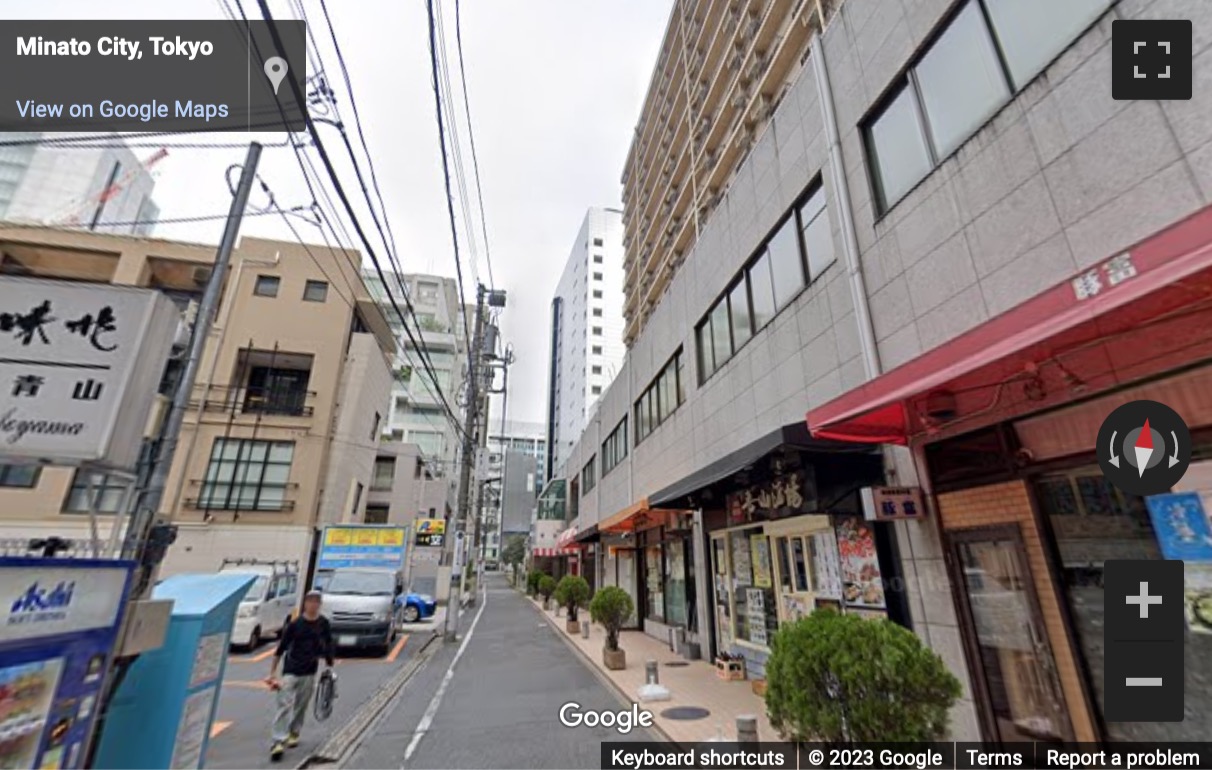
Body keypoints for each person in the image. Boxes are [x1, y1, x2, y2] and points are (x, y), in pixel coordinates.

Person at [266, 590, 334, 761]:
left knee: (301, 705)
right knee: (284, 704)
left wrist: (329, 662)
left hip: (309, 671)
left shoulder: (323, 623)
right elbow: (281, 649)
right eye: (310, 601)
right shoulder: (295, 624)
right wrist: (272, 673)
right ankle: (278, 741)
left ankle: (294, 732)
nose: (313, 604)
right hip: (290, 670)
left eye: (316, 602)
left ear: (320, 604)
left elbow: (328, 642)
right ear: (305, 603)